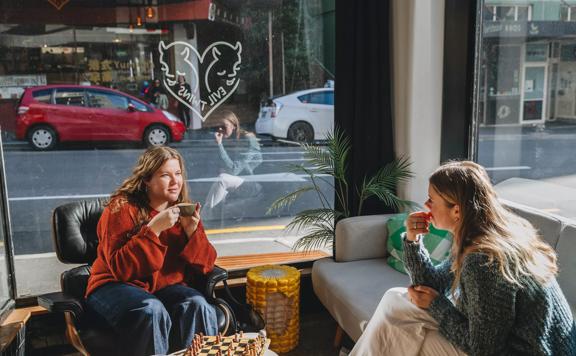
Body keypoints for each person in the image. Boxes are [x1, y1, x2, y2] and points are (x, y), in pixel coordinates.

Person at [350, 161, 576, 356]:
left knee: (397, 330)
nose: (426, 206)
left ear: (456, 211)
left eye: (431, 200)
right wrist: (412, 240)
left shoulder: (483, 260)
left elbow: (483, 349)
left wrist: (436, 305)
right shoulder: (481, 234)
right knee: (395, 299)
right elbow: (430, 284)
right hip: (508, 344)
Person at [85, 146, 218, 356]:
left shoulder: (184, 211)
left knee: (197, 304)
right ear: (147, 179)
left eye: (178, 173)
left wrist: (193, 232)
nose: (175, 182)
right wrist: (153, 229)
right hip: (113, 286)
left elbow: (206, 266)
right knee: (150, 309)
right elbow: (121, 269)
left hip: (161, 287)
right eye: (165, 175)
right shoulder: (121, 208)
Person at [203, 110, 263, 220]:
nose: (220, 129)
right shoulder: (229, 139)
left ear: (234, 126)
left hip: (252, 184)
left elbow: (234, 169)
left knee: (222, 179)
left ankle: (204, 218)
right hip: (238, 181)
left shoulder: (247, 139)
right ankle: (211, 216)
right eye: (218, 126)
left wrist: (220, 145)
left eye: (224, 126)